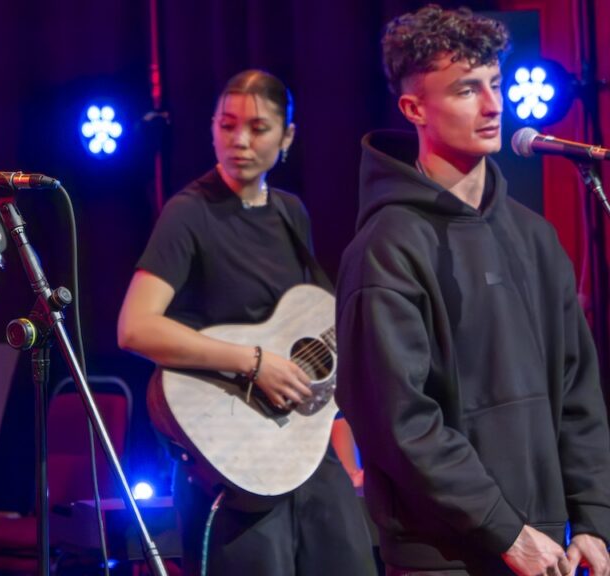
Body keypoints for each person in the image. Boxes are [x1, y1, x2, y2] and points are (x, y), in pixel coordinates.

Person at [335, 5, 610, 575]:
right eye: (466, 90)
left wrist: (591, 519)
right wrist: (504, 529)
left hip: (549, 547)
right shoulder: (387, 246)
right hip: (443, 553)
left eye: (495, 84)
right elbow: (398, 420)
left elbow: (577, 391)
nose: (492, 106)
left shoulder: (534, 237)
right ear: (414, 108)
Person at [118, 69, 374, 575]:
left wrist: (346, 450)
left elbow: (317, 340)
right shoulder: (189, 213)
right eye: (227, 124)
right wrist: (254, 362)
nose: (239, 141)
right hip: (233, 458)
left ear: (288, 137)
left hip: (302, 447)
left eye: (257, 128)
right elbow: (136, 327)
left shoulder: (290, 213)